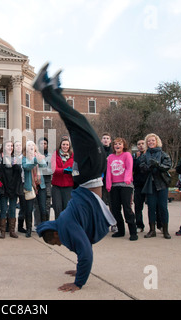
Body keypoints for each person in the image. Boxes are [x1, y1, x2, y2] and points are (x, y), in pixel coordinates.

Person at [33, 62, 116, 292]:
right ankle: (53, 90)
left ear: (57, 233)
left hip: (89, 173)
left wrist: (78, 282)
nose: (61, 244)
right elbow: (84, 246)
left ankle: (47, 89)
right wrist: (78, 266)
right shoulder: (65, 226)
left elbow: (86, 252)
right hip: (92, 173)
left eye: (57, 241)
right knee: (76, 122)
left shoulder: (67, 225)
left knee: (77, 123)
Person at [138, 133, 172, 239]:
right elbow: (141, 167)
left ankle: (165, 230)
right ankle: (152, 230)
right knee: (151, 207)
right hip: (150, 184)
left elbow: (167, 166)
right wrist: (148, 167)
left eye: (153, 140)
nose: (151, 142)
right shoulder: (144, 155)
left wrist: (158, 165)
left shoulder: (163, 154)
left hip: (161, 184)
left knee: (163, 207)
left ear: (157, 141)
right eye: (149, 141)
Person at [106, 137, 137, 241]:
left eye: (119, 144)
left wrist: (127, 179)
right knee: (115, 209)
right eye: (115, 144)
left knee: (127, 208)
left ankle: (133, 232)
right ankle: (121, 230)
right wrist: (108, 184)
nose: (117, 146)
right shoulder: (110, 157)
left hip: (125, 185)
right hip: (114, 186)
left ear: (123, 145)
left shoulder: (127, 155)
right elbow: (109, 171)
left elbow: (129, 168)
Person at [0, 140, 23, 239]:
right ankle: (2, 231)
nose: (10, 147)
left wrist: (15, 164)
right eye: (8, 146)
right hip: (3, 187)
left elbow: (19, 171)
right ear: (4, 147)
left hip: (13, 187)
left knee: (12, 209)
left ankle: (12, 231)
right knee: (3, 209)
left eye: (11, 146)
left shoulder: (15, 158)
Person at [22, 140, 47, 237]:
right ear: (26, 148)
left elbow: (44, 165)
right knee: (28, 209)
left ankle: (44, 229)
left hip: (40, 185)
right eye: (29, 146)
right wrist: (35, 160)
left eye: (33, 145)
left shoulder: (39, 155)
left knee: (43, 208)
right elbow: (26, 167)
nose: (31, 147)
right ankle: (28, 229)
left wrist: (38, 159)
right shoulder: (24, 158)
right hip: (30, 186)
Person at [51, 137, 74, 219]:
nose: (65, 146)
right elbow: (54, 169)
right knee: (57, 208)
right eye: (63, 144)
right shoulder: (55, 154)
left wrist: (72, 171)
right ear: (60, 145)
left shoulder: (72, 156)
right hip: (57, 186)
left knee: (67, 208)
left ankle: (66, 228)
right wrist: (64, 170)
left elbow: (75, 168)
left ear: (69, 146)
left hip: (68, 186)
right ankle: (58, 227)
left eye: (67, 145)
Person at [33, 137, 52, 226]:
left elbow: (51, 170)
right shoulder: (34, 155)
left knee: (47, 204)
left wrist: (41, 166)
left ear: (47, 145)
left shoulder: (50, 156)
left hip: (47, 182)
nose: (43, 145)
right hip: (36, 182)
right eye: (41, 143)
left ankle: (46, 224)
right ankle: (37, 224)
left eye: (45, 143)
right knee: (36, 204)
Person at [133, 139, 147, 232]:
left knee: (153, 205)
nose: (141, 145)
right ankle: (139, 224)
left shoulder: (150, 155)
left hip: (149, 183)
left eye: (142, 144)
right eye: (139, 144)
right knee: (138, 206)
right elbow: (132, 169)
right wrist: (136, 159)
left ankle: (158, 224)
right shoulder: (134, 156)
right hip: (138, 183)